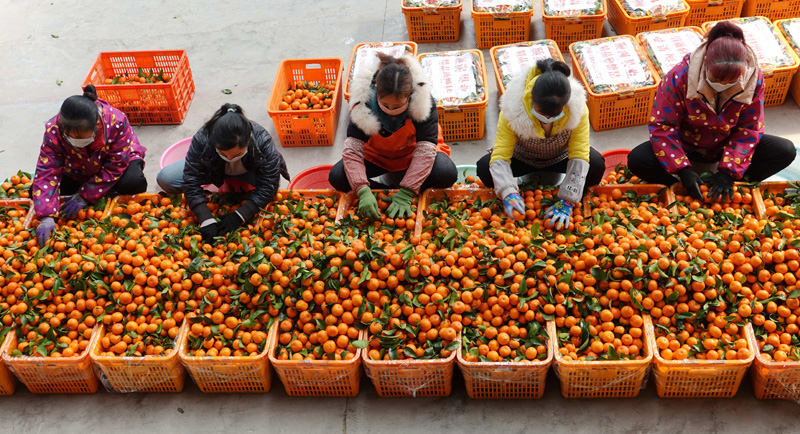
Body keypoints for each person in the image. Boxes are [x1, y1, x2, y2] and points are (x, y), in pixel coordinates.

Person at [628, 21, 795, 201]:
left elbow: (749, 128)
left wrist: (728, 172)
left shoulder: (753, 80)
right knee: (638, 159)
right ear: (706, 62)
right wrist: (682, 170)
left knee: (784, 150)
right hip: (686, 144)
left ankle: (734, 189)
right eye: (716, 79)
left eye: (730, 81)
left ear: (744, 68)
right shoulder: (679, 77)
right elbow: (662, 125)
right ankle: (682, 188)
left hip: (724, 145)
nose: (722, 86)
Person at [476, 58, 604, 229]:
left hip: (560, 156)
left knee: (595, 164)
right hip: (523, 156)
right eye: (542, 113)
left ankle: (572, 193)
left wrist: (567, 200)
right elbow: (501, 154)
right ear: (531, 99)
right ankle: (517, 193)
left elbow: (579, 153)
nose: (548, 119)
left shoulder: (577, 109)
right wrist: (508, 192)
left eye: (555, 114)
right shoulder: (512, 110)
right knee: (485, 167)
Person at [328, 53, 457, 220]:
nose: (391, 110)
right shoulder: (364, 104)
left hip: (412, 155)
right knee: (337, 176)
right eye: (385, 105)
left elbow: (426, 149)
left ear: (410, 96)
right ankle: (380, 194)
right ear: (376, 93)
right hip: (376, 157)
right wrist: (362, 189)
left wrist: (407, 191)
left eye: (398, 106)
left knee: (446, 172)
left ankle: (409, 192)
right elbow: (353, 150)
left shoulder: (423, 103)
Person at [156, 103, 289, 243]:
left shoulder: (262, 140)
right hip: (212, 169)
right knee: (166, 178)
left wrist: (240, 215)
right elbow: (191, 179)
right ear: (214, 141)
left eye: (237, 154)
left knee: (269, 192)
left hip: (250, 172)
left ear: (249, 139)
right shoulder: (202, 138)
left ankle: (237, 178)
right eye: (223, 153)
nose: (230, 158)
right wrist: (205, 218)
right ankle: (225, 175)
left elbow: (269, 184)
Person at [32, 84, 147, 246]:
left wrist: (86, 195)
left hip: (117, 162)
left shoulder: (115, 122)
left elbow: (116, 164)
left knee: (133, 182)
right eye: (71, 137)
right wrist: (46, 216)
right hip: (77, 168)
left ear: (97, 126)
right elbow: (47, 171)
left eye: (80, 136)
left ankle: (104, 191)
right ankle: (99, 192)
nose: (76, 139)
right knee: (39, 193)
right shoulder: (54, 130)